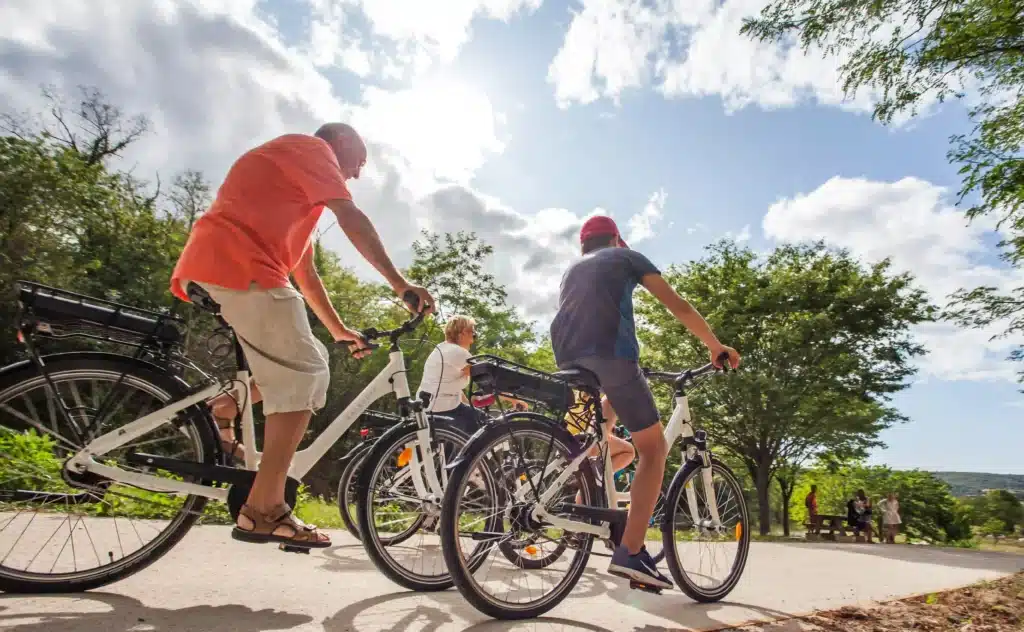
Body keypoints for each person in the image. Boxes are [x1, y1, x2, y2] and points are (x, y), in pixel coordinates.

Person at [170, 123, 434, 549]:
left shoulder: (293, 189)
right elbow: (351, 217)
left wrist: (339, 332)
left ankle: (227, 404)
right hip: (242, 266)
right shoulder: (311, 149)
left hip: (225, 264)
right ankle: (264, 508)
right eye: (359, 162)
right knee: (305, 375)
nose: (357, 174)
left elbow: (305, 276)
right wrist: (400, 284)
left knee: (307, 365)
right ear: (341, 143)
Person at [549, 215, 740, 590]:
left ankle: (579, 486)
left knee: (610, 408)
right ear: (617, 239)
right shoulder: (627, 257)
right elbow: (678, 305)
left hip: (567, 359)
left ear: (583, 245)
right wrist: (715, 345)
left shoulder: (572, 270)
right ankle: (631, 552)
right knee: (653, 450)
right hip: (612, 355)